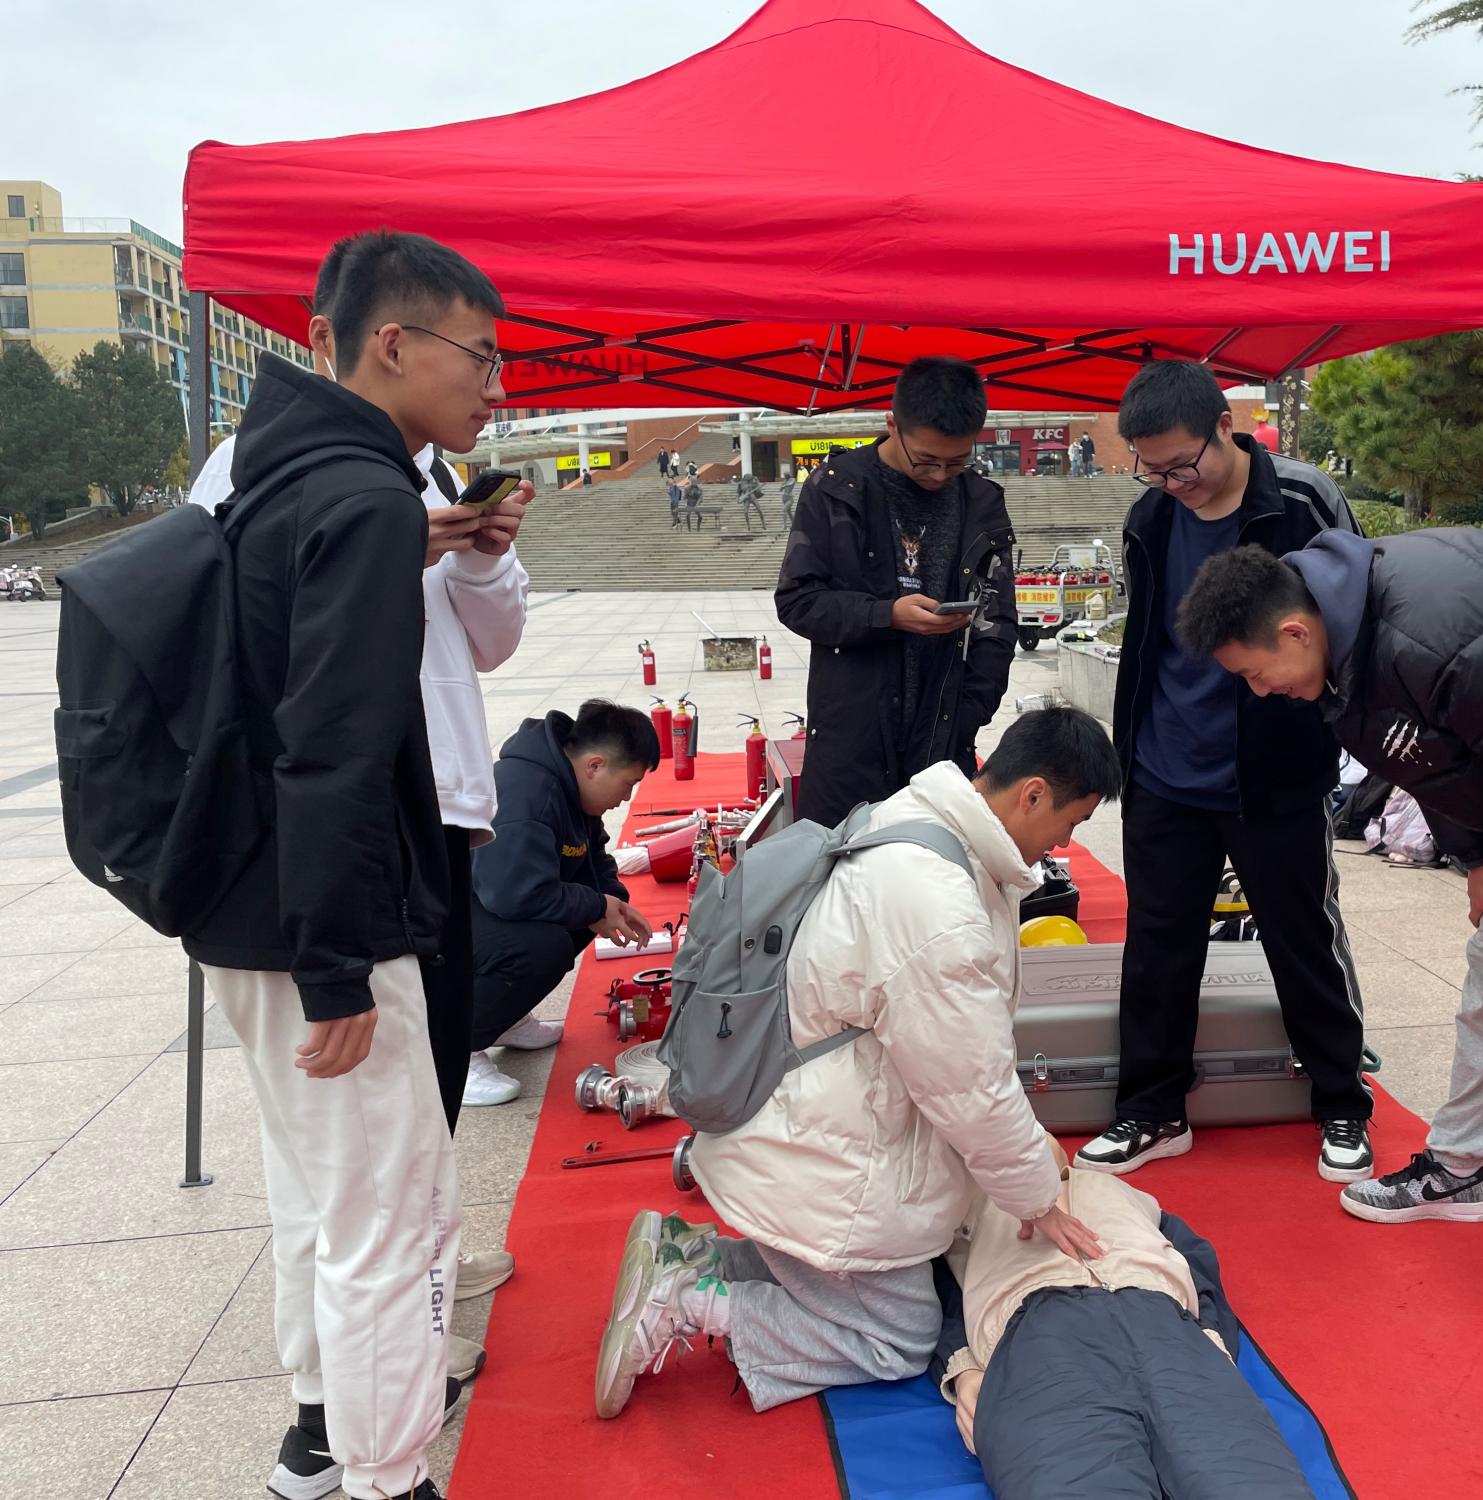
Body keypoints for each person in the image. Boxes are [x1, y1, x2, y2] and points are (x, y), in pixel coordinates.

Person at [179, 230, 508, 1500]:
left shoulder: (273, 471)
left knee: (315, 1190)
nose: (493, 385)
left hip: (244, 898)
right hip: (325, 917)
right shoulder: (367, 499)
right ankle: (384, 1476)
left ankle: (322, 1431)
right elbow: (331, 748)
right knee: (393, 1216)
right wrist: (338, 967)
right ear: (394, 343)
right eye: (479, 354)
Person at [1176, 532, 1483, 1375]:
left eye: (1254, 673)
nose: (1259, 691)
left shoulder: (1439, 625)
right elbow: (1431, 761)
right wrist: (1477, 859)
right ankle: (1458, 1168)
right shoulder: (1341, 647)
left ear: (1293, 631)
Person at [595, 709, 1122, 1419]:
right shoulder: (937, 904)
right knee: (895, 1336)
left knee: (862, 1276)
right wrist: (1034, 1195)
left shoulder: (918, 817)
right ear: (1032, 793)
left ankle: (692, 1252)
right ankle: (684, 1301)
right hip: (815, 1140)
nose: (1065, 843)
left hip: (788, 1104)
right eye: (1072, 821)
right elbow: (968, 1085)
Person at [1073, 358, 1371, 1185]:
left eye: (1183, 465)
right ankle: (1151, 1110)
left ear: (1225, 428)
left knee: (1301, 937)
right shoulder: (1149, 517)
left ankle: (1341, 1101)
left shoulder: (1302, 501)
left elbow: (1354, 617)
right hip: (1166, 765)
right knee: (1157, 946)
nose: (1173, 484)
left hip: (1274, 767)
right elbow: (1147, 639)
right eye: (1153, 470)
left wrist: (1337, 731)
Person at [928, 1134, 1314, 1499]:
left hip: (1163, 1322)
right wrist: (963, 1367)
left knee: (1251, 1482)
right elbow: (935, 1291)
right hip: (1041, 1335)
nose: (1037, 1142)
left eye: (1039, 1135)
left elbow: (1198, 1266)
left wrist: (1209, 1336)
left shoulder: (1125, 1194)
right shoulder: (966, 1206)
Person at [775, 356, 1019, 827]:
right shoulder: (837, 489)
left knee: (934, 867)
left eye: (957, 462)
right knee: (844, 867)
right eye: (926, 460)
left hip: (944, 740)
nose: (939, 475)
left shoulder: (982, 501)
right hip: (851, 743)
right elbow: (797, 601)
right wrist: (886, 615)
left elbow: (999, 622)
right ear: (892, 425)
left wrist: (969, 712)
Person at [463, 703, 657, 1104]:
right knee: (543, 947)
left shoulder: (570, 786)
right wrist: (596, 907)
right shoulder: (528, 795)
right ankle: (453, 1049)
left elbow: (593, 858)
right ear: (595, 765)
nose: (626, 798)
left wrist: (613, 903)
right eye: (628, 783)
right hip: (445, 919)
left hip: (491, 902)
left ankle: (503, 1018)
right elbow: (511, 893)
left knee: (586, 913)